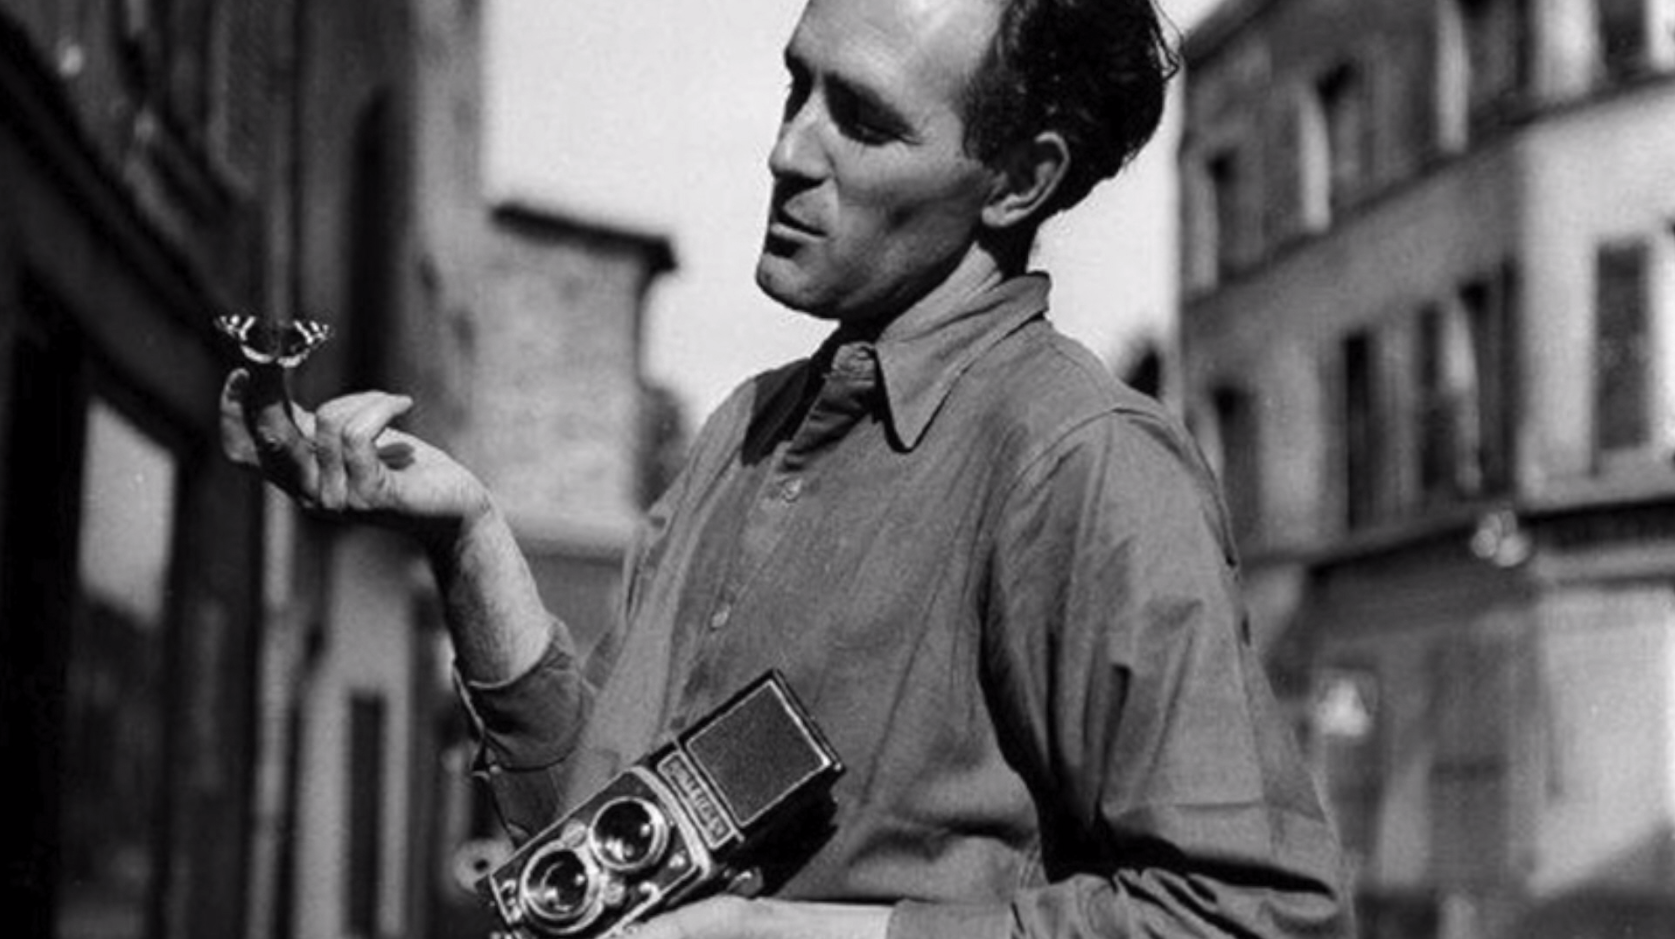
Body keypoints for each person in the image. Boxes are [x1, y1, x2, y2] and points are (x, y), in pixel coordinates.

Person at [221, 0, 1353, 935]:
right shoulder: (749, 429)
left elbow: (1253, 914)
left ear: (1017, 180)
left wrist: (791, 934)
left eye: (860, 120)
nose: (788, 151)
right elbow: (601, 844)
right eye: (794, 86)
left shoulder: (1085, 463)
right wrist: (467, 537)